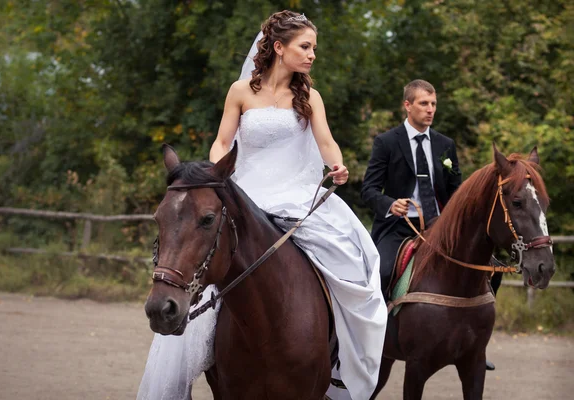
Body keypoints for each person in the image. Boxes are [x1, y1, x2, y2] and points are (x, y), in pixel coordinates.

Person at [138, 10, 387, 400]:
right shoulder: (240, 92)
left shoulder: (310, 98)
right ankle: (191, 355)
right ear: (277, 47)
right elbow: (223, 142)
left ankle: (339, 362)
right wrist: (218, 170)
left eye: (314, 48)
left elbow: (325, 140)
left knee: (355, 262)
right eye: (305, 47)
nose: (311, 55)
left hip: (296, 191)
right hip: (245, 190)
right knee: (206, 266)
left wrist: (336, 163)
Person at [360, 79, 462, 297]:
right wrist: (391, 204)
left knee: (487, 268)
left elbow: (456, 190)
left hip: (440, 225)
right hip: (398, 226)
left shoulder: (446, 145)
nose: (430, 110)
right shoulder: (386, 142)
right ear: (408, 105)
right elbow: (368, 190)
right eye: (424, 103)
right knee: (382, 273)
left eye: (433, 104)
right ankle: (381, 326)